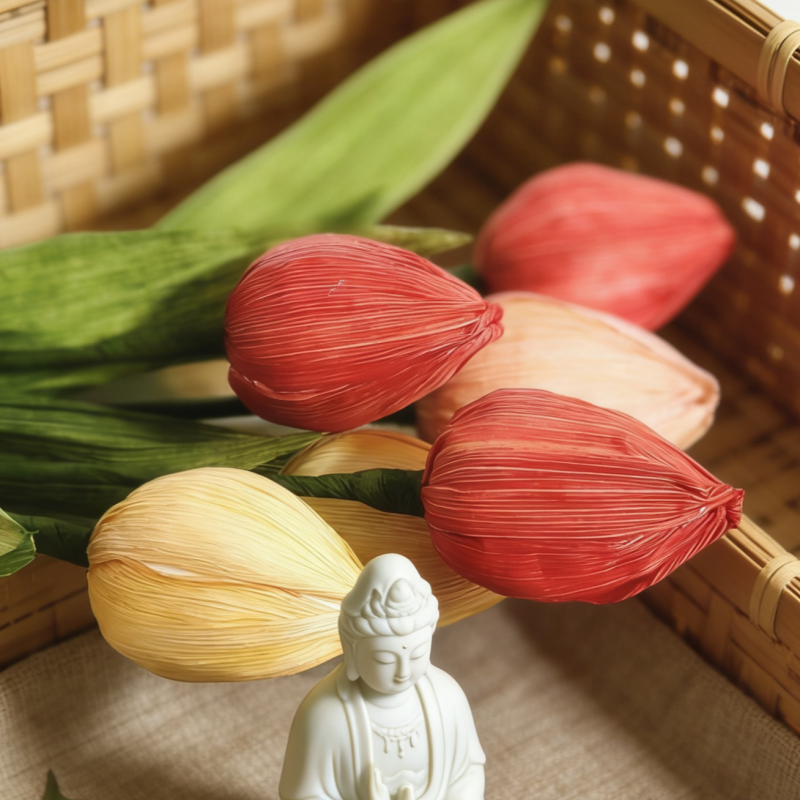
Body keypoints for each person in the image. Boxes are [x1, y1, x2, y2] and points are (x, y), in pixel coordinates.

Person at [279, 553, 486, 800]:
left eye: (417, 654)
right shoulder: (324, 714)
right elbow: (302, 795)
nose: (403, 672)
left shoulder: (448, 698)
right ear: (352, 650)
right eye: (384, 660)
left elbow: (467, 773)